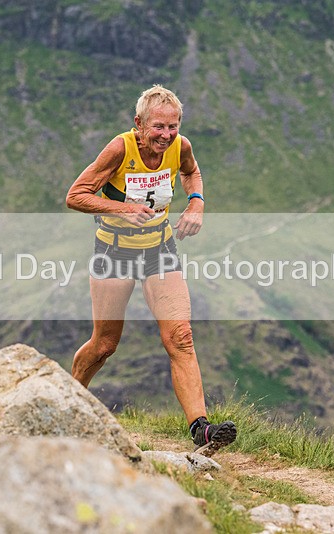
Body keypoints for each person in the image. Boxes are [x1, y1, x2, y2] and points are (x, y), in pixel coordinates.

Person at [66, 85, 236, 454]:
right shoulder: (120, 149)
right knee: (104, 345)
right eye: (158, 127)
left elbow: (192, 173)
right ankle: (65, 406)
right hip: (114, 252)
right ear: (138, 124)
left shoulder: (181, 146)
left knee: (181, 337)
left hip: (160, 249)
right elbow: (76, 195)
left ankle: (201, 429)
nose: (166, 135)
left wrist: (195, 205)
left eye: (173, 126)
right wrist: (125, 209)